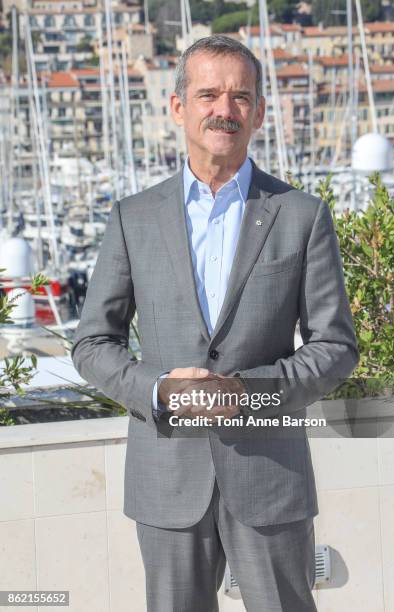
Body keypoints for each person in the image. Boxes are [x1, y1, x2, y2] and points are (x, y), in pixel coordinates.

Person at [71, 35, 359, 612]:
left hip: (270, 480)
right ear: (178, 107)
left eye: (239, 97)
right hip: (167, 480)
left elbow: (335, 346)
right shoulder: (133, 218)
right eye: (208, 94)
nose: (223, 110)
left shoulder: (302, 216)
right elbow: (92, 344)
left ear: (257, 111)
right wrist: (159, 390)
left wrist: (248, 395)